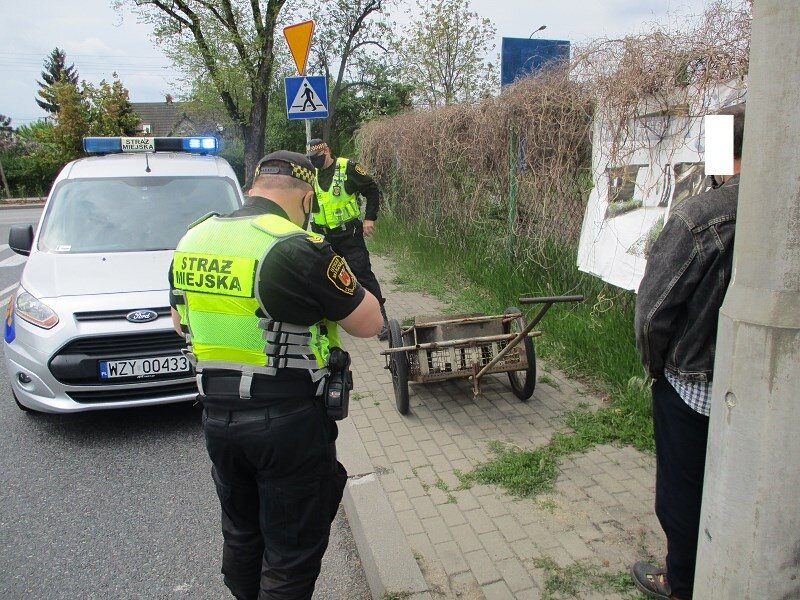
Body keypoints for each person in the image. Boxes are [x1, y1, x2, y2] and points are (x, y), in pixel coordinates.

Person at [168, 150, 383, 600]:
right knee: (290, 555)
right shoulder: (295, 245)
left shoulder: (192, 238)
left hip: (217, 418)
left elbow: (180, 321)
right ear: (307, 199)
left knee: (243, 534)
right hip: (287, 422)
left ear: (253, 186)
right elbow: (369, 323)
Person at [631, 103, 746, 600]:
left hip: (694, 388)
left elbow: (653, 311)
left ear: (721, 148)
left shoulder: (701, 216)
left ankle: (681, 584)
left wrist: (657, 368)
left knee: (683, 492)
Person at [305, 138, 390, 341]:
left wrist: (370, 218)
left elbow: (371, 189)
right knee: (322, 277)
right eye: (311, 159)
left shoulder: (347, 167)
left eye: (317, 157)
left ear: (327, 150)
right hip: (323, 235)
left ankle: (381, 320)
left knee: (362, 274)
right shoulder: (310, 173)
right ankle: (329, 319)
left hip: (349, 234)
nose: (314, 162)